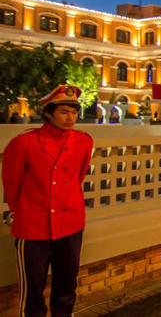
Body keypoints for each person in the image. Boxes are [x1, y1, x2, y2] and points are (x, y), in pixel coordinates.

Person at [2, 85, 93, 317]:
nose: (70, 118)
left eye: (74, 112)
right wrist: (21, 212)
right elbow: (12, 185)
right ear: (49, 113)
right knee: (32, 289)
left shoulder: (84, 141)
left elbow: (77, 177)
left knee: (66, 285)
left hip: (70, 223)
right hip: (34, 225)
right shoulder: (24, 143)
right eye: (63, 112)